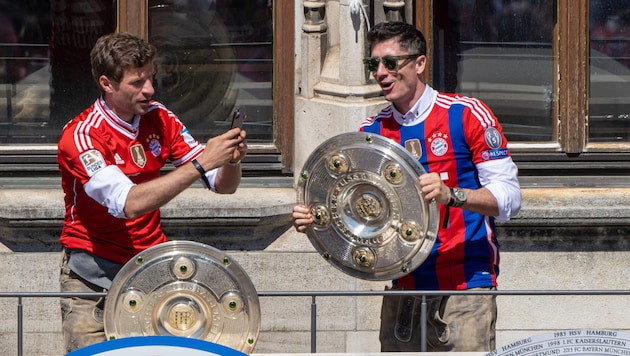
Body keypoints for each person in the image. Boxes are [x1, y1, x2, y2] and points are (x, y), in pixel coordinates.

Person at [292, 21, 521, 352]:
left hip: (465, 285)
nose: (380, 73)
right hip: (404, 287)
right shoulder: (372, 133)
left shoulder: (466, 114)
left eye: (390, 62)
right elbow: (360, 211)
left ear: (420, 63)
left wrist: (452, 196)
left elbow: (510, 200)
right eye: (373, 64)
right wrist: (319, 220)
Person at [56, 32, 247, 352]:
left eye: (151, 78)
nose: (150, 90)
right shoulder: (82, 136)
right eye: (137, 82)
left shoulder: (159, 117)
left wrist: (231, 161)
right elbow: (128, 203)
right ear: (107, 84)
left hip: (149, 272)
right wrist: (201, 164)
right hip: (91, 281)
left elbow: (222, 185)